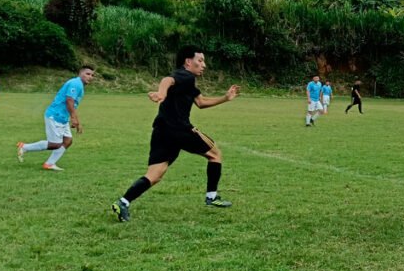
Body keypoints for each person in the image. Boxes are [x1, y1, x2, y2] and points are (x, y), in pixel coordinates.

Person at [111, 46, 240, 222]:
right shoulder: (185, 76)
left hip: (162, 130)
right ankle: (211, 197)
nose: (204, 65)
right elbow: (167, 80)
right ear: (188, 61)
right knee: (215, 154)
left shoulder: (188, 82)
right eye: (200, 60)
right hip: (180, 129)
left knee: (155, 174)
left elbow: (201, 102)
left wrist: (225, 98)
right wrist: (161, 93)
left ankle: (123, 202)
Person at [16, 66, 95, 171]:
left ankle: (49, 164)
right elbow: (69, 101)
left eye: (92, 75)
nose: (90, 77)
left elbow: (73, 104)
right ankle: (24, 146)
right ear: (80, 74)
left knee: (67, 140)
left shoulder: (79, 85)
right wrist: (73, 118)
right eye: (87, 74)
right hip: (55, 116)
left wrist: (76, 121)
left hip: (62, 117)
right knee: (55, 144)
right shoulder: (76, 83)